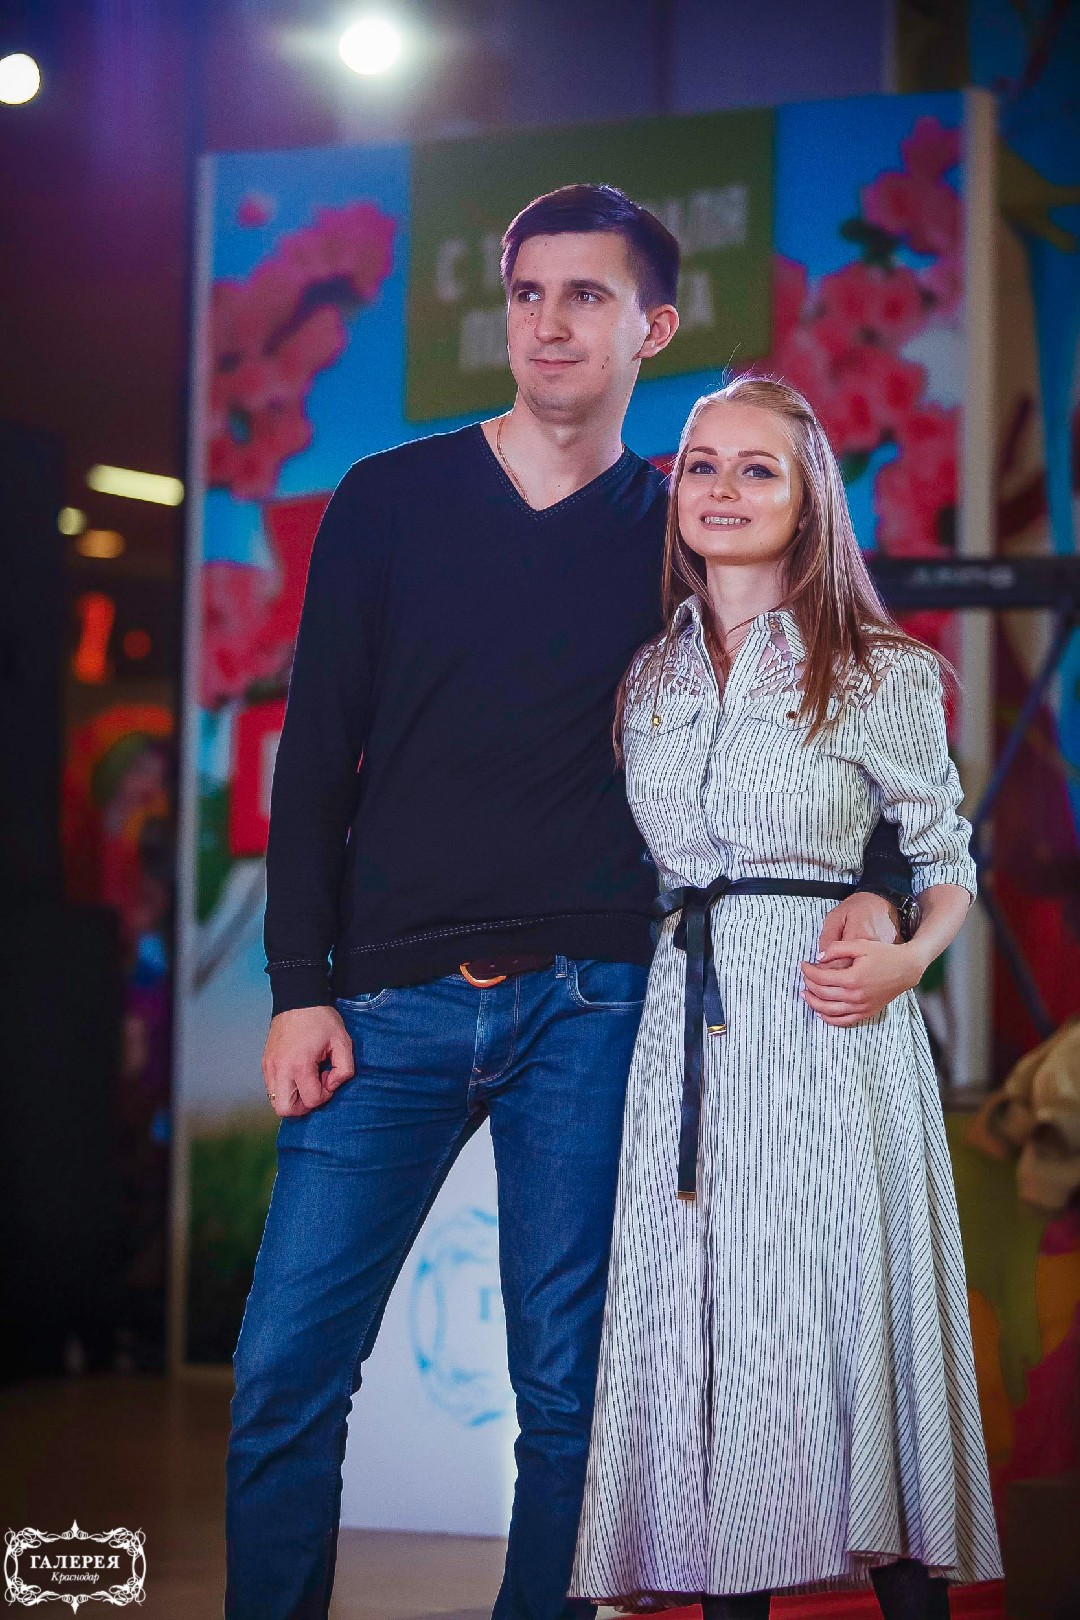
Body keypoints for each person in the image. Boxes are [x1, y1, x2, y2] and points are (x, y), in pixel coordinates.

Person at [224, 187, 913, 1620]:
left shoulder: (680, 528)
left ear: (653, 326)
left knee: (571, 1395)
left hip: (598, 1009)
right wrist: (299, 985)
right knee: (285, 1374)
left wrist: (876, 884)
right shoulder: (388, 500)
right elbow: (315, 753)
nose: (549, 322)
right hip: (384, 1004)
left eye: (587, 295)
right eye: (529, 292)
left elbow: (843, 695)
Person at [570, 377, 1003, 1619]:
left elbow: (945, 859)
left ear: (811, 499)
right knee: (709, 1328)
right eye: (702, 465)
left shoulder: (877, 669)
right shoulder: (646, 677)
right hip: (687, 1024)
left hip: (831, 1027)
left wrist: (909, 952)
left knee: (844, 1316)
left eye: (757, 468)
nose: (723, 488)